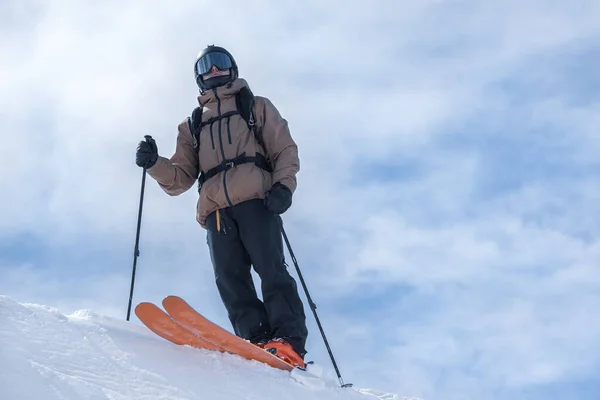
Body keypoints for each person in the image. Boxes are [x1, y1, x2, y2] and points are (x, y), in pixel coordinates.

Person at [135, 45, 308, 368]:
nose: (214, 70)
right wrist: (153, 164)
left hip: (257, 200)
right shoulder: (193, 124)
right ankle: (256, 339)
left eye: (220, 63)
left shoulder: (255, 106)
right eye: (206, 66)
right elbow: (180, 178)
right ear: (199, 77)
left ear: (233, 68)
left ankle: (287, 341)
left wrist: (284, 187)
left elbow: (284, 149)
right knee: (230, 277)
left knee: (271, 270)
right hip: (215, 210)